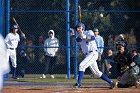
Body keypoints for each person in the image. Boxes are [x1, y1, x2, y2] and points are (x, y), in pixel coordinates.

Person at [73, 23, 116, 89]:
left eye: (79, 28)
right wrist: (81, 35)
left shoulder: (89, 32)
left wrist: (84, 36)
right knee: (96, 73)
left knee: (81, 66)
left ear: (83, 28)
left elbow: (92, 38)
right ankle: (111, 82)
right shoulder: (79, 36)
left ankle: (78, 83)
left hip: (92, 53)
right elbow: (78, 40)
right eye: (77, 28)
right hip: (88, 55)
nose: (77, 29)